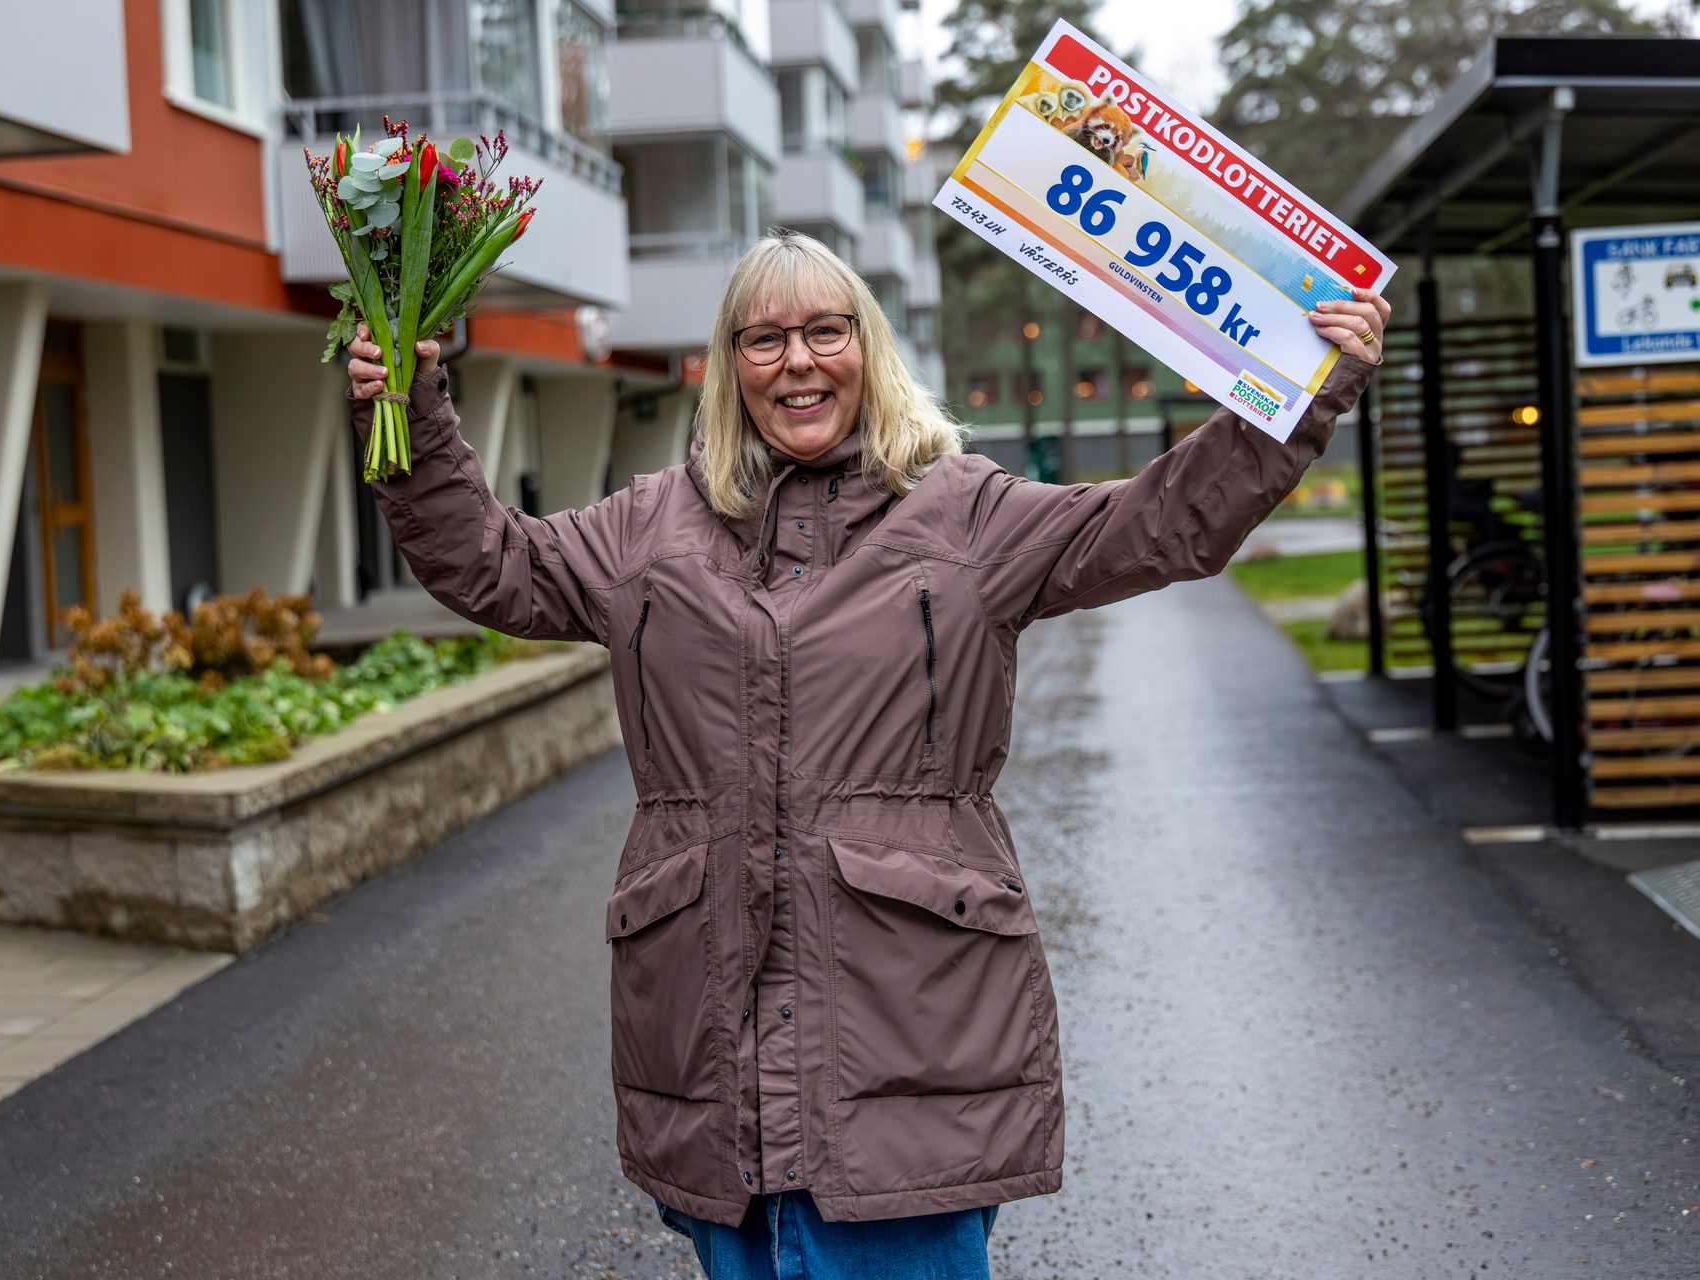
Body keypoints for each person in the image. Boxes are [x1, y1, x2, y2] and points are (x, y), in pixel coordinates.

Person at [345, 230, 1388, 1279]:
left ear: (868, 346)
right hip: (716, 1054)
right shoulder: (647, 531)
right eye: (763, 338)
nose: (796, 360)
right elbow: (486, 560)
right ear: (727, 365)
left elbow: (1160, 523)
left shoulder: (965, 513)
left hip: (908, 1044)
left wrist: (1302, 393)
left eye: (824, 330)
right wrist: (407, 412)